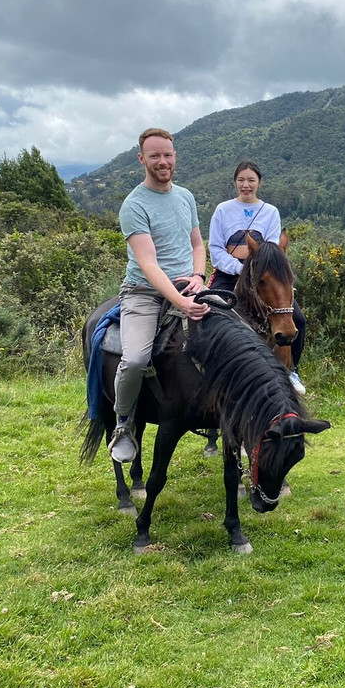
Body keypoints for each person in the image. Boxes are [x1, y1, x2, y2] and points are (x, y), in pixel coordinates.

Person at [110, 127, 210, 463]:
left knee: (239, 335)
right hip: (145, 293)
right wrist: (180, 302)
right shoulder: (134, 205)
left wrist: (198, 276)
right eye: (155, 156)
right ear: (142, 159)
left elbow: (198, 244)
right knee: (136, 359)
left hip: (189, 285)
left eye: (167, 155)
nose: (162, 161)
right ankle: (123, 424)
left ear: (175, 157)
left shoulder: (185, 196)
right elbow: (149, 264)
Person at [208, 160, 308, 395]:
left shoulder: (270, 211)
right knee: (211, 315)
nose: (246, 185)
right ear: (235, 182)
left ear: (259, 183)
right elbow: (215, 248)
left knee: (299, 320)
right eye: (241, 180)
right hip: (230, 274)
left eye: (251, 180)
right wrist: (240, 270)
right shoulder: (222, 210)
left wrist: (255, 272)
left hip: (263, 275)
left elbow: (272, 249)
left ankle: (292, 369)